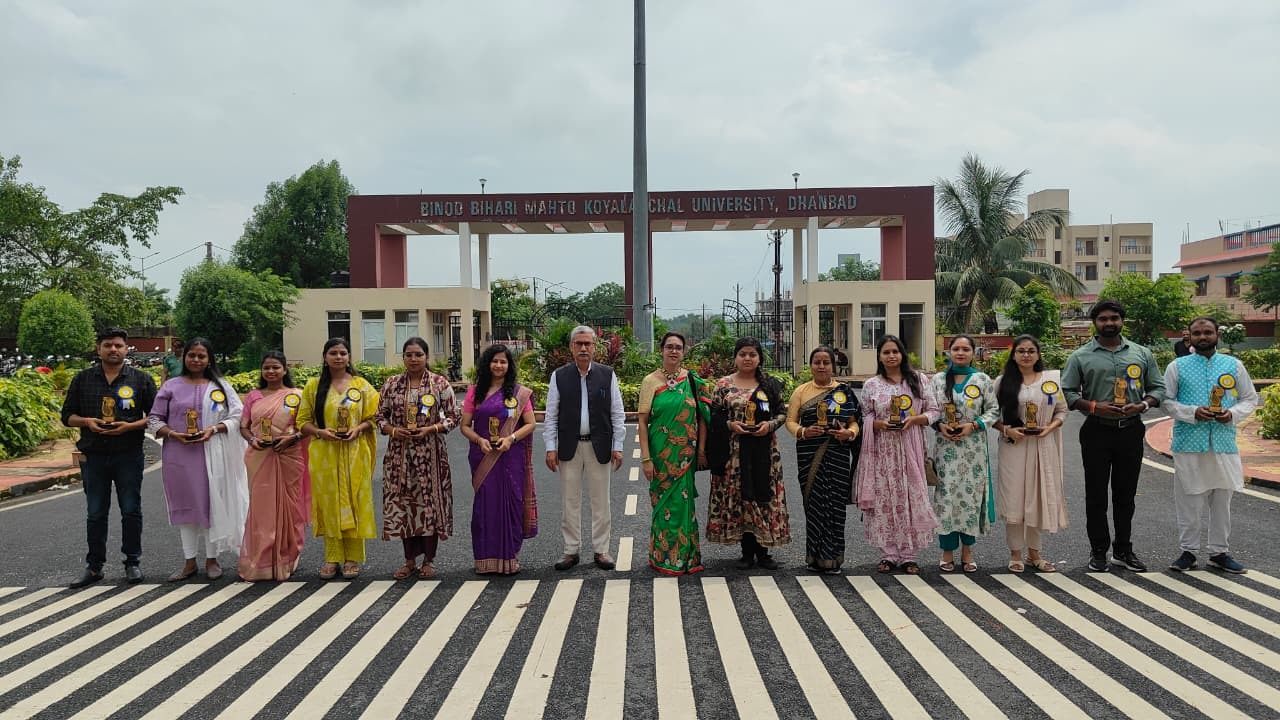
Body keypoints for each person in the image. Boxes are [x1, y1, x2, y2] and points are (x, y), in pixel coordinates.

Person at [1061, 299, 1165, 573]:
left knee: (1125, 494)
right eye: (1103, 319)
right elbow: (1068, 392)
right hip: (1096, 430)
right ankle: (1098, 551)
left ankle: (1123, 550)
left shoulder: (1141, 353)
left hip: (1131, 430)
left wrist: (1142, 405)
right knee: (1096, 495)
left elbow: (1158, 388)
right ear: (1095, 323)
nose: (1109, 323)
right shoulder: (1080, 356)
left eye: (1114, 318)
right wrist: (1095, 406)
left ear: (1122, 321)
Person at [61, 327, 157, 587]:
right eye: (108, 345)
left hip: (128, 454)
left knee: (131, 510)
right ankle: (94, 567)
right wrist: (87, 422)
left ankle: (132, 563)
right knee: (95, 513)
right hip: (94, 455)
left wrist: (130, 426)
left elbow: (156, 417)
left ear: (126, 349)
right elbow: (67, 416)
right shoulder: (82, 379)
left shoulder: (141, 379)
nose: (113, 349)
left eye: (118, 345)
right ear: (99, 348)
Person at [148, 337, 249, 581]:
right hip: (179, 454)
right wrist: (173, 434)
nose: (196, 359)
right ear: (184, 358)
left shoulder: (221, 387)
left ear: (209, 359)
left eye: (201, 356)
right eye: (191, 355)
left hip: (213, 453)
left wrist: (214, 429)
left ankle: (212, 560)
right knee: (185, 506)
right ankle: (189, 561)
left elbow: (238, 416)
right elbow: (154, 419)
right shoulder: (171, 386)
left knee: (211, 503)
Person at [1164, 318, 1258, 574]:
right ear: (1189, 336)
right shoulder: (1177, 366)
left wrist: (1233, 414)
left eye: (1207, 332)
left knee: (1221, 500)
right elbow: (1166, 401)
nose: (1202, 337)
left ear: (1217, 334)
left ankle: (1219, 552)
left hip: (1223, 442)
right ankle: (1188, 552)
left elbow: (1250, 398)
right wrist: (1192, 412)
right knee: (1189, 500)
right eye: (1197, 333)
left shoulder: (1233, 365)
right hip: (1189, 442)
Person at [855, 334, 940, 575]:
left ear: (902, 354)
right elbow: (864, 416)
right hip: (882, 451)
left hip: (910, 447)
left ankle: (909, 556)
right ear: (879, 357)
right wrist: (877, 424)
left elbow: (934, 411)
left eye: (895, 351)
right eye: (886, 352)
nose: (891, 356)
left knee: (910, 499)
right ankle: (889, 554)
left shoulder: (918, 380)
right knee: (885, 499)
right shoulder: (872, 385)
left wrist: (915, 420)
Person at [376, 338, 460, 580]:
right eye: (409, 355)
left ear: (426, 357)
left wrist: (432, 428)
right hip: (399, 455)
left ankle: (428, 560)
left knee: (429, 505)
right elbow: (379, 416)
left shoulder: (439, 383)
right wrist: (393, 430)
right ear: (403, 357)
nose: (413, 359)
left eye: (418, 355)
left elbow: (454, 416)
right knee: (405, 505)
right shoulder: (392, 384)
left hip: (430, 454)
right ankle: (409, 560)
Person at [544, 326, 625, 571]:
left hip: (599, 446)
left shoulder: (607, 375)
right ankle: (571, 550)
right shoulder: (559, 376)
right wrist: (550, 447)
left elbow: (617, 413)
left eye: (587, 344)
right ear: (571, 347)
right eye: (578, 343)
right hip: (569, 446)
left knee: (601, 501)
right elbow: (551, 415)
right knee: (570, 501)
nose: (583, 348)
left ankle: (601, 550)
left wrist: (618, 446)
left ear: (594, 347)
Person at [298, 338, 380, 580]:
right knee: (330, 503)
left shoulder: (361, 385)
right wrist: (320, 432)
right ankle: (332, 557)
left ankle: (352, 558)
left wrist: (359, 429)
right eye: (333, 353)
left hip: (355, 452)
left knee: (355, 502)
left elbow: (376, 416)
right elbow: (302, 421)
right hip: (325, 453)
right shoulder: (314, 386)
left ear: (349, 356)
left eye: (343, 353)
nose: (338, 357)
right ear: (325, 357)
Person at [707, 337, 791, 570]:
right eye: (742, 354)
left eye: (752, 354)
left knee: (762, 497)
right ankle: (746, 552)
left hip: (765, 451)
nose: (747, 358)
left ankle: (763, 552)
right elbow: (713, 415)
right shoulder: (723, 385)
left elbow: (781, 413)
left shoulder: (769, 385)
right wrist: (730, 425)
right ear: (735, 357)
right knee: (741, 499)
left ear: (759, 358)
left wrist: (769, 425)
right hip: (734, 453)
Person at [992, 335, 1069, 573]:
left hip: (1042, 446)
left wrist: (1049, 428)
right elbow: (990, 415)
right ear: (1014, 355)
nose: (1026, 355)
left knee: (1038, 497)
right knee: (1014, 498)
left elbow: (1062, 410)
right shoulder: (1002, 382)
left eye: (1031, 351)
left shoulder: (1050, 381)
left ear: (1038, 355)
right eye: (1021, 351)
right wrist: (1007, 430)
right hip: (1013, 447)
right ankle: (1015, 553)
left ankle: (1034, 554)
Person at [460, 344, 538, 575]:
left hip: (510, 456)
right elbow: (465, 426)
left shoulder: (518, 393)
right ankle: (485, 559)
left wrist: (511, 438)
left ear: (509, 366)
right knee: (485, 505)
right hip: (483, 455)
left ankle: (510, 557)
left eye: (503, 361)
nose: (498, 365)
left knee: (511, 502)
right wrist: (479, 440)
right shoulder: (475, 392)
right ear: (487, 364)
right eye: (494, 361)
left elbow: (531, 423)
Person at [638, 332, 710, 575]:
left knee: (683, 504)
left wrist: (701, 451)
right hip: (661, 455)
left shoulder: (692, 380)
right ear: (661, 350)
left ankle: (687, 558)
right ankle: (663, 557)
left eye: (678, 347)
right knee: (664, 504)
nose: (673, 351)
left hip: (686, 455)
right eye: (669, 346)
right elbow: (642, 422)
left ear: (684, 351)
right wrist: (646, 459)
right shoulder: (650, 381)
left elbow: (703, 418)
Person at [786, 346, 861, 574]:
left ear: (833, 366)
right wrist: (803, 432)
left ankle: (833, 559)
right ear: (810, 365)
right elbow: (790, 421)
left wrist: (849, 433)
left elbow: (854, 422)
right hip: (809, 455)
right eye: (816, 362)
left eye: (826, 362)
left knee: (835, 506)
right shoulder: (801, 391)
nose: (821, 366)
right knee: (814, 505)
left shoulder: (843, 392)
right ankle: (814, 558)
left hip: (837, 454)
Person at [928, 335, 999, 573]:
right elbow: (929, 410)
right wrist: (939, 425)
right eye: (956, 348)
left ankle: (968, 551)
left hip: (973, 450)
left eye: (965, 349)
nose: (960, 353)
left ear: (973, 352)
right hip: (946, 449)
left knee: (970, 499)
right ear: (949, 352)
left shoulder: (982, 379)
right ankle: (947, 551)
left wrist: (974, 425)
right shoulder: (938, 380)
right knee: (946, 498)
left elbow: (993, 410)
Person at [237, 351, 309, 581]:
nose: (271, 371)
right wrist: (252, 440)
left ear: (285, 370)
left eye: (276, 367)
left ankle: (288, 557)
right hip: (260, 457)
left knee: (291, 509)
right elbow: (244, 426)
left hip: (289, 456)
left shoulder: (296, 395)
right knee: (262, 511)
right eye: (266, 367)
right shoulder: (253, 396)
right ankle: (262, 561)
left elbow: (306, 426)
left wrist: (292, 438)